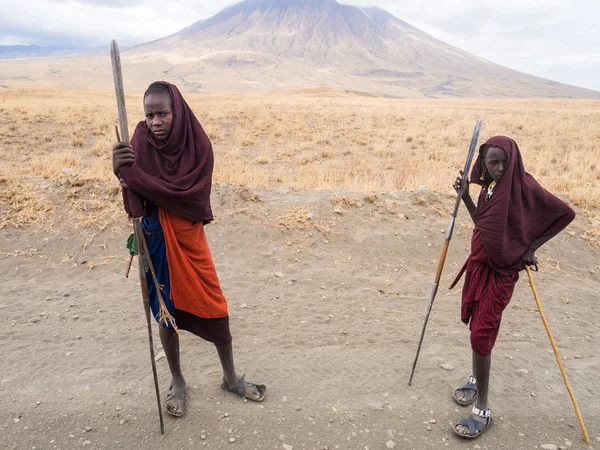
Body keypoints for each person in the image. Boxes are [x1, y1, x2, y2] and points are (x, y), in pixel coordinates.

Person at [112, 81, 266, 417]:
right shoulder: (138, 139)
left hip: (188, 238)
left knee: (214, 304)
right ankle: (178, 380)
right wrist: (121, 171)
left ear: (176, 112)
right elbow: (133, 200)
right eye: (150, 114)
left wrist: (135, 177)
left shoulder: (198, 146)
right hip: (154, 239)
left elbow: (192, 197)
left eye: (162, 113)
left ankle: (229, 378)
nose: (155, 121)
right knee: (165, 312)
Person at [450, 136, 575, 438]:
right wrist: (465, 196)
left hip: (502, 272)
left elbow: (565, 213)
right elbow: (483, 224)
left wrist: (533, 246)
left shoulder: (523, 186)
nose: (500, 168)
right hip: (480, 265)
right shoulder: (489, 189)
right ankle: (476, 378)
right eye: (493, 162)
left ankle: (482, 409)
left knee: (482, 332)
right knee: (476, 327)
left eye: (504, 161)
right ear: (484, 163)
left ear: (513, 160)